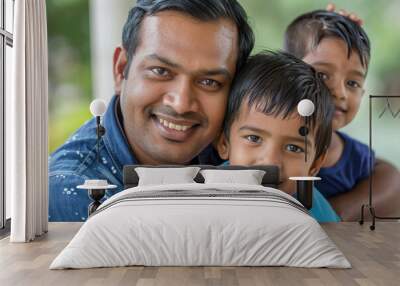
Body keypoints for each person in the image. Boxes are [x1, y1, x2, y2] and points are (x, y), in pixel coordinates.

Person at [48, 0, 254, 221]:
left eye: (209, 82)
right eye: (160, 71)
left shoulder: (244, 149)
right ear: (120, 70)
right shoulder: (73, 195)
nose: (181, 104)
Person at [284, 10, 400, 221]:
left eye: (352, 83)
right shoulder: (258, 141)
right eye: (322, 75)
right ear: (285, 74)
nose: (340, 92)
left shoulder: (358, 159)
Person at [217, 51, 340, 222]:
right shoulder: (204, 197)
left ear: (314, 165)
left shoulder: (319, 219)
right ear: (224, 143)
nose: (271, 161)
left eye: (293, 148)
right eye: (254, 138)